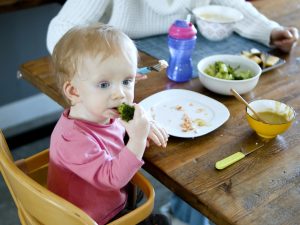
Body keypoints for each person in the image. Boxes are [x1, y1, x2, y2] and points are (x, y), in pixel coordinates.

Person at [47, 23, 170, 225]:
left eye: (127, 81)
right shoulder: (72, 138)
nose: (120, 94)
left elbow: (124, 115)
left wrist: (143, 122)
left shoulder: (101, 109)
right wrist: (138, 139)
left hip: (106, 198)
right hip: (90, 217)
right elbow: (112, 178)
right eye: (104, 84)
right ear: (74, 92)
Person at [46, 0, 298, 54]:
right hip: (119, 64)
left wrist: (269, 30)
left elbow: (227, 3)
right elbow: (63, 27)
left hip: (182, 52)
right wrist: (92, 58)